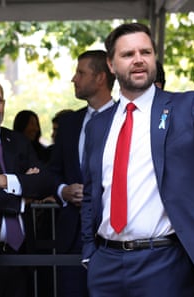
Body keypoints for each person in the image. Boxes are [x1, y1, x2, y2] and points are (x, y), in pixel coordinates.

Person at [81, 3, 194, 297]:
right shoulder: (98, 126)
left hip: (164, 263)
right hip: (106, 265)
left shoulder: (185, 107)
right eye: (128, 54)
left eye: (145, 52)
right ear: (111, 65)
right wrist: (90, 252)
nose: (138, 60)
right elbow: (91, 193)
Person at [0, 77, 54, 297]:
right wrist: (23, 198)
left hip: (22, 254)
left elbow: (44, 182)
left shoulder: (18, 141)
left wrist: (3, 181)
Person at [47, 49, 115, 297]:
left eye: (80, 73)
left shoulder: (126, 119)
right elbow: (52, 171)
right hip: (72, 235)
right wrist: (62, 190)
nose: (74, 79)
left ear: (100, 78)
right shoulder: (68, 124)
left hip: (114, 233)